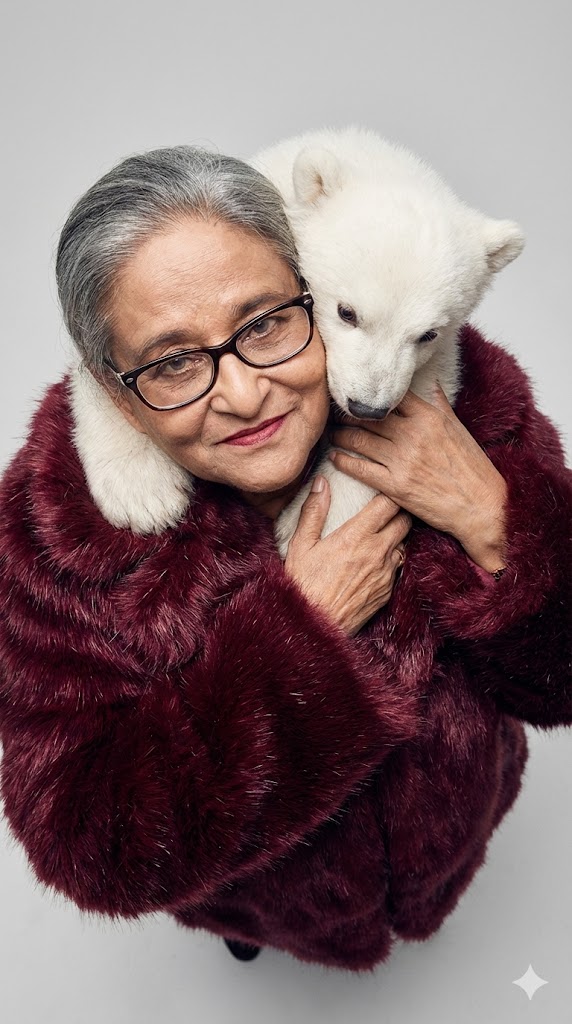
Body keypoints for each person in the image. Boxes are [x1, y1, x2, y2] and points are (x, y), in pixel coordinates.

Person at [0, 145, 570, 974]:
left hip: (456, 829)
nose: (242, 393)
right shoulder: (61, 524)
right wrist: (300, 641)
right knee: (250, 914)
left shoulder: (468, 415)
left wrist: (499, 522)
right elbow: (91, 844)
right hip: (260, 892)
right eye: (172, 361)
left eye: (264, 322)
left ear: (304, 278)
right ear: (111, 382)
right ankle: (252, 929)